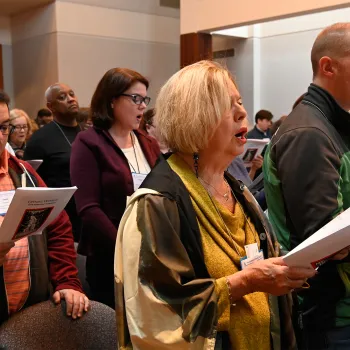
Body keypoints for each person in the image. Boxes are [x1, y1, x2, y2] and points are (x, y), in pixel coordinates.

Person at [114, 61, 315, 349]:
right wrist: (245, 283)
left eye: (240, 102)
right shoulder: (156, 204)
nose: (243, 112)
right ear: (193, 116)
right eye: (227, 105)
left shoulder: (237, 190)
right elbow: (156, 315)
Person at [263, 23, 350, 349]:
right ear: (328, 66)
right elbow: (327, 240)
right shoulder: (310, 134)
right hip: (332, 313)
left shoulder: (330, 123)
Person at [71, 68, 160, 309]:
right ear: (112, 101)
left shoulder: (148, 142)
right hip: (110, 259)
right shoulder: (89, 143)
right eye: (135, 99)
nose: (143, 106)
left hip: (152, 255)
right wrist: (126, 247)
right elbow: (88, 208)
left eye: (145, 99)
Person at [0, 91, 89, 325]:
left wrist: (67, 281)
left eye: (3, 128)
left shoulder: (23, 173)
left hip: (29, 310)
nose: (0, 137)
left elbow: (58, 229)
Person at [24, 84, 82, 242]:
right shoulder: (40, 140)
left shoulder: (87, 133)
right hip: (60, 224)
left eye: (72, 94)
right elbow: (31, 186)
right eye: (62, 97)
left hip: (87, 217)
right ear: (51, 106)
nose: (70, 99)